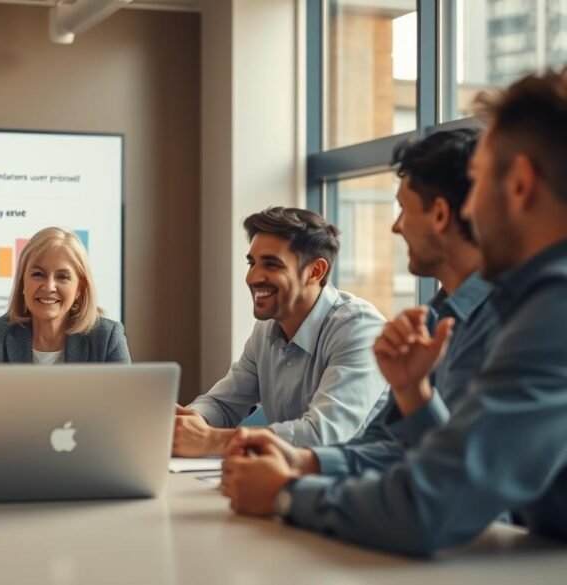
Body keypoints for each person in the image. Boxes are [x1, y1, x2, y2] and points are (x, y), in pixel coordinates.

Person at [222, 68, 567, 556]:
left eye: (479, 180)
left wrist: (284, 493)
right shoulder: (520, 302)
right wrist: (412, 398)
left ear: (520, 185)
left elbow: (435, 503)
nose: (471, 207)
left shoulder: (553, 311)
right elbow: (449, 460)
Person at [223, 129, 499, 479]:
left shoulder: (507, 322)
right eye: (252, 263)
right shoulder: (431, 321)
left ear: (441, 214)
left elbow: (457, 483)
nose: (395, 227)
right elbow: (390, 446)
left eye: (403, 209)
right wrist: (301, 465)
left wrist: (291, 494)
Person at [173, 207, 388, 454]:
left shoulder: (360, 328)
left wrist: (211, 440)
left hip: (361, 486)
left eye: (272, 265)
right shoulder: (266, 330)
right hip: (293, 480)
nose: (253, 277)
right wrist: (193, 420)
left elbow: (323, 435)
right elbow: (222, 404)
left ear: (315, 271)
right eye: (252, 263)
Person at [0, 227, 130, 435]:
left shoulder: (107, 337)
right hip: (13, 460)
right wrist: (18, 417)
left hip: (84, 461)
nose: (49, 286)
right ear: (23, 283)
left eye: (62, 277)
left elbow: (129, 415)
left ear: (79, 289)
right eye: (38, 274)